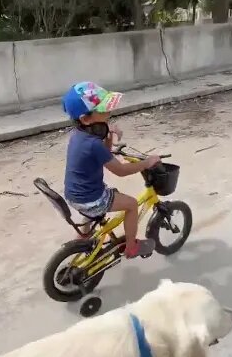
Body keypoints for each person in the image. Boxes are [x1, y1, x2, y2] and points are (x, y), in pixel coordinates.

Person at [61, 81, 160, 258]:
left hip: (74, 195)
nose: (109, 112)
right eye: (104, 109)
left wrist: (109, 135)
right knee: (131, 205)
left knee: (95, 206)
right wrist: (147, 163)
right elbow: (120, 171)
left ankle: (81, 240)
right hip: (91, 199)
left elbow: (104, 152)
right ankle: (131, 248)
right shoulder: (92, 144)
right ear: (86, 118)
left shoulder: (79, 135)